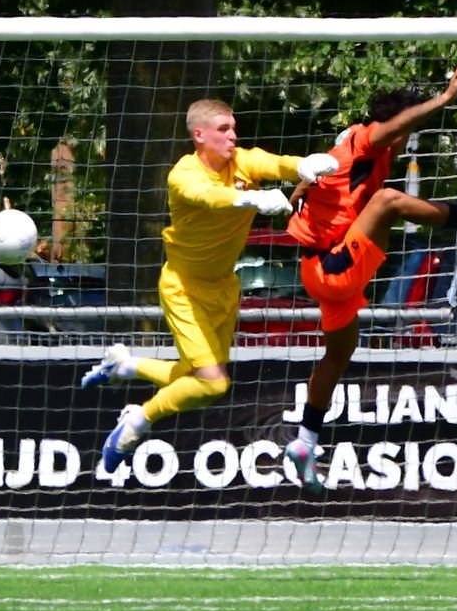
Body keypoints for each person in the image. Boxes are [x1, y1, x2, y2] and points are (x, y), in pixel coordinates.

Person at [281, 68, 457, 494]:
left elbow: (316, 179)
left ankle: (304, 442)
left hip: (321, 271)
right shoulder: (365, 139)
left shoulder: (347, 148)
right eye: (404, 130)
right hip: (333, 267)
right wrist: (444, 99)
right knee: (387, 201)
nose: (406, 138)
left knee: (337, 356)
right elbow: (391, 129)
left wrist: (297, 191)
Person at [79, 98, 338, 473]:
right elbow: (209, 197)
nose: (233, 136)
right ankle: (138, 420)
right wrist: (249, 198)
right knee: (213, 384)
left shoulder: (242, 161)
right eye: (223, 129)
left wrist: (301, 166)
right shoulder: (183, 175)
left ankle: (124, 365)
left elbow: (272, 162)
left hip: (223, 287)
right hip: (183, 288)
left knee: (196, 380)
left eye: (233, 128)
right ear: (199, 135)